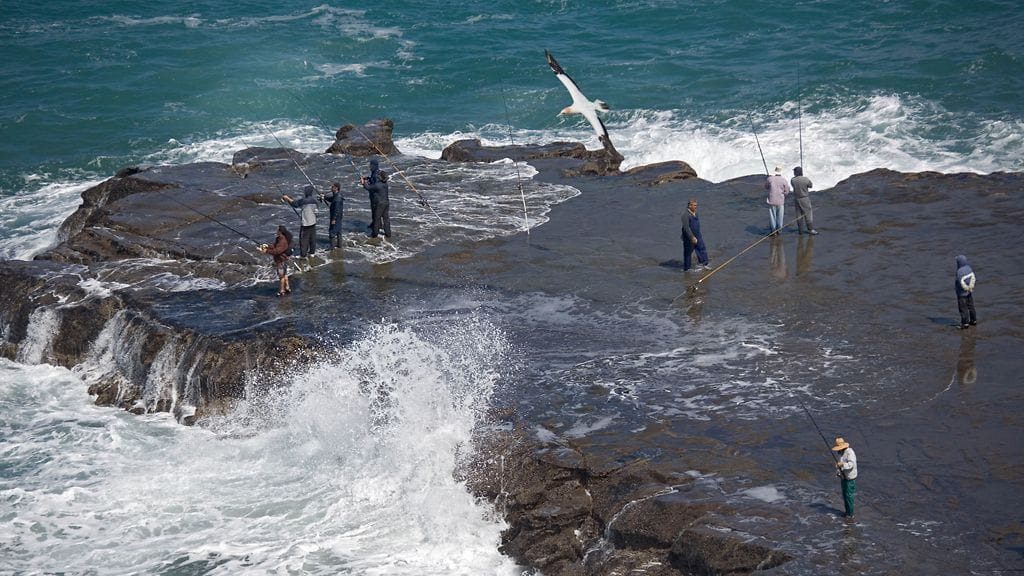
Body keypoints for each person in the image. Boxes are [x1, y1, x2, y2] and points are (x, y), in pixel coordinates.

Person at [282, 185, 318, 257]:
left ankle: (303, 255)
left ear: (306, 192)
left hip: (306, 224)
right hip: (313, 223)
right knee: (312, 238)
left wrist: (287, 198)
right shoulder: (315, 201)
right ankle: (312, 253)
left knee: (303, 240)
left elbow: (295, 204)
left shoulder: (304, 200)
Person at [361, 158, 391, 238]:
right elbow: (372, 183)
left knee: (377, 218)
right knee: (386, 218)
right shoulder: (385, 184)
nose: (370, 166)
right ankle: (388, 233)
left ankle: (374, 234)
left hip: (378, 202)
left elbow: (369, 187)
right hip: (386, 202)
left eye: (371, 165)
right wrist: (368, 179)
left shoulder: (378, 184)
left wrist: (363, 182)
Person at [260, 225, 292, 296]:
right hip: (281, 260)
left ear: (280, 232)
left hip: (281, 260)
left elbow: (277, 251)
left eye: (277, 230)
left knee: (281, 276)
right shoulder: (279, 239)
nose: (276, 231)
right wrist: (267, 246)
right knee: (285, 274)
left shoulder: (283, 241)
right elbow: (275, 246)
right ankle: (287, 287)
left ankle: (282, 291)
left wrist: (266, 251)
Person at [680, 198, 709, 272]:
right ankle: (687, 269)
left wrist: (698, 235)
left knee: (702, 249)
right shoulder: (685, 215)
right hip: (689, 237)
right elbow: (686, 227)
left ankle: (704, 264)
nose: (696, 207)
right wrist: (692, 237)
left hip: (698, 235)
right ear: (689, 205)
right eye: (694, 205)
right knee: (688, 253)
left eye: (696, 205)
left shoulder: (696, 213)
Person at [832, 436, 857, 519]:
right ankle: (847, 513)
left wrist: (842, 464)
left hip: (850, 479)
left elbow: (851, 465)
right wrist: (838, 471)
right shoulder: (842, 454)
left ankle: (850, 515)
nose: (837, 451)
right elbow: (841, 465)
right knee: (845, 496)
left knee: (849, 496)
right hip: (844, 478)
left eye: (838, 449)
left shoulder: (850, 452)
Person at [791, 166, 818, 235]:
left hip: (797, 199)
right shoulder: (806, 179)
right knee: (808, 214)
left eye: (794, 171)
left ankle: (800, 230)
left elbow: (793, 185)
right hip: (805, 198)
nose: (793, 172)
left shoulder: (793, 180)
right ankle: (811, 229)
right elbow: (810, 185)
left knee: (799, 215)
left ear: (796, 172)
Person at [765, 166, 791, 235]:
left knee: (772, 216)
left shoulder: (770, 179)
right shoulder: (784, 180)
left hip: (771, 200)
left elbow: (766, 187)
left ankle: (773, 231)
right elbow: (787, 191)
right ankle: (779, 230)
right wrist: (783, 194)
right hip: (780, 201)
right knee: (780, 216)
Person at [955, 254, 977, 329]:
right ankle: (973, 320)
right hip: (969, 291)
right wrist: (969, 287)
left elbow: (959, 282)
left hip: (961, 293)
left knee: (963, 308)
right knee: (971, 306)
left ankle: (965, 323)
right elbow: (973, 278)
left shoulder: (959, 272)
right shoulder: (969, 268)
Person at [322, 181, 344, 249]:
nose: (331, 188)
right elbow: (332, 199)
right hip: (339, 216)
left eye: (332, 187)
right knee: (338, 231)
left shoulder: (337, 198)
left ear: (336, 188)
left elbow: (336, 209)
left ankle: (332, 247)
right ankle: (339, 245)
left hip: (336, 217)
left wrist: (334, 219)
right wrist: (324, 197)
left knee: (332, 231)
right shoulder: (337, 195)